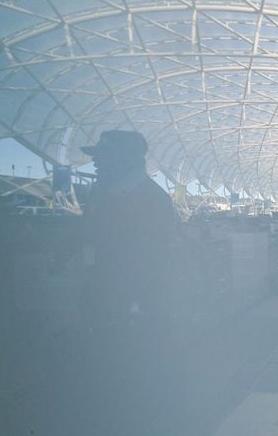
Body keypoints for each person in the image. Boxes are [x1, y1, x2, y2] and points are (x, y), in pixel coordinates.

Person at [77, 130, 178, 434]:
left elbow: (153, 261)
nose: (96, 164)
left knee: (130, 382)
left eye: (103, 157)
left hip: (132, 309)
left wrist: (130, 305)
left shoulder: (149, 199)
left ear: (126, 160)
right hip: (106, 302)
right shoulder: (104, 192)